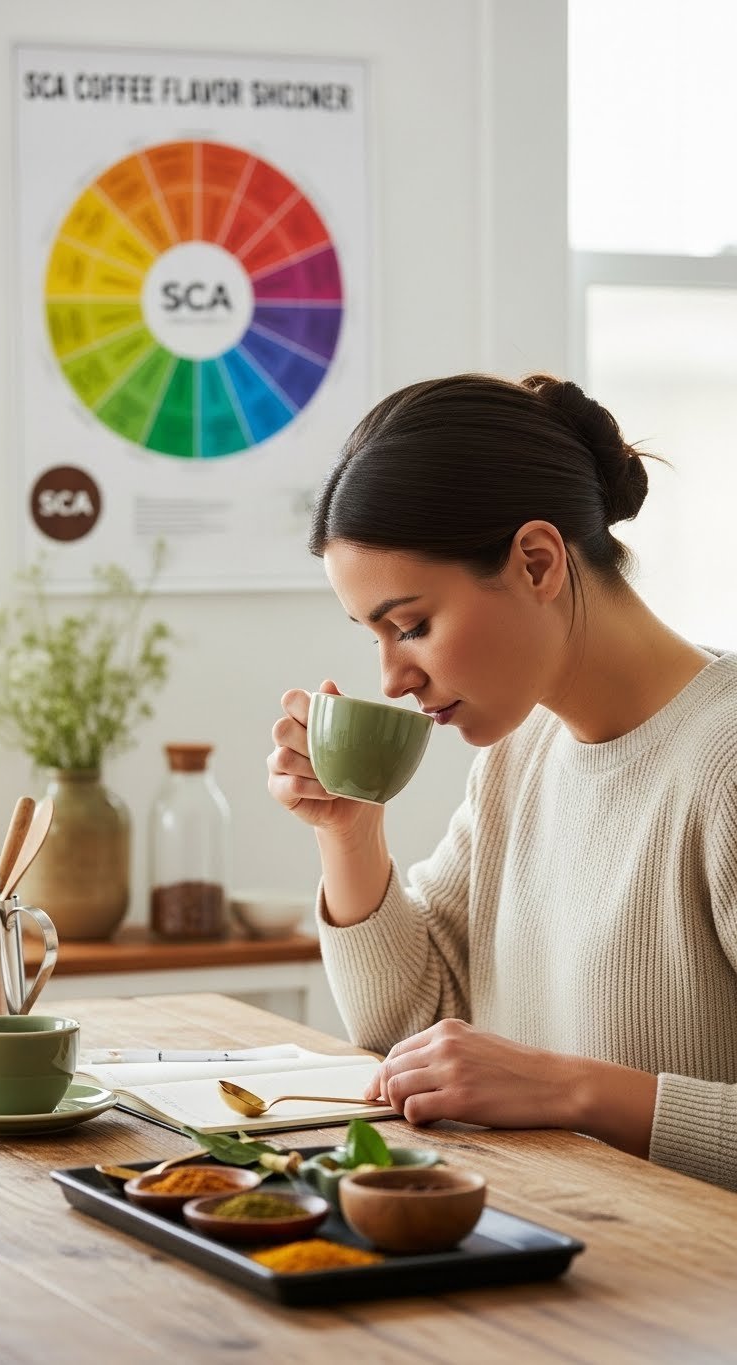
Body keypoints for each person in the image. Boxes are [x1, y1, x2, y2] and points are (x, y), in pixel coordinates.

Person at [267, 372, 737, 1191]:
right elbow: (412, 1036)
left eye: (411, 625)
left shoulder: (722, 765)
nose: (393, 678)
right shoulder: (518, 760)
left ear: (537, 561)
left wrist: (571, 1090)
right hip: (555, 1265)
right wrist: (349, 831)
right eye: (374, 635)